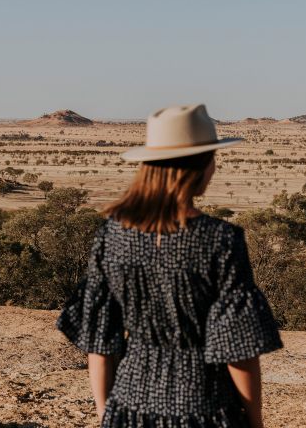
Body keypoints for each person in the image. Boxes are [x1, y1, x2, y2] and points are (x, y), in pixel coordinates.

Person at [57, 104, 282, 427]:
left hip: (131, 402)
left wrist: (105, 412)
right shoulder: (221, 240)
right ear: (202, 165)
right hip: (205, 406)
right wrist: (255, 419)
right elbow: (238, 350)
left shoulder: (113, 234)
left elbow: (100, 341)